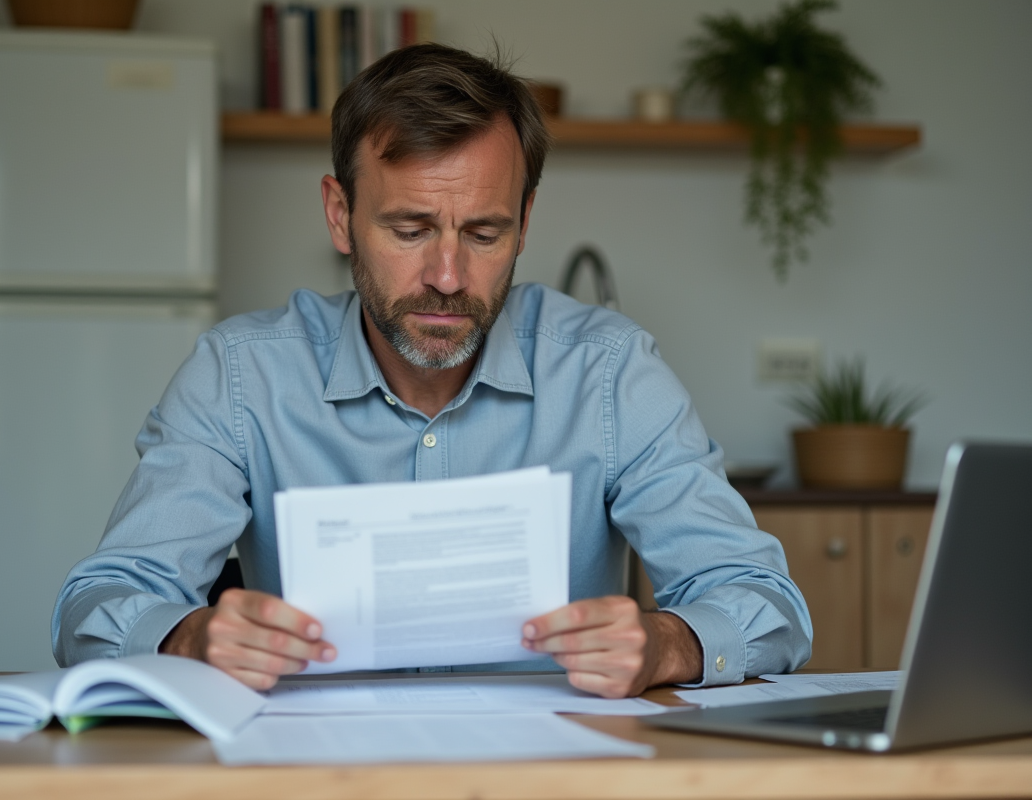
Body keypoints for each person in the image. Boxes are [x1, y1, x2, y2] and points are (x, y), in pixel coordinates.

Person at [52, 43, 811, 699]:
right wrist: (190, 638)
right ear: (340, 215)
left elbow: (764, 602)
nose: (447, 275)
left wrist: (666, 643)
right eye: (409, 229)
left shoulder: (609, 373)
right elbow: (100, 604)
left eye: (484, 232)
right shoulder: (241, 375)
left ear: (525, 223)